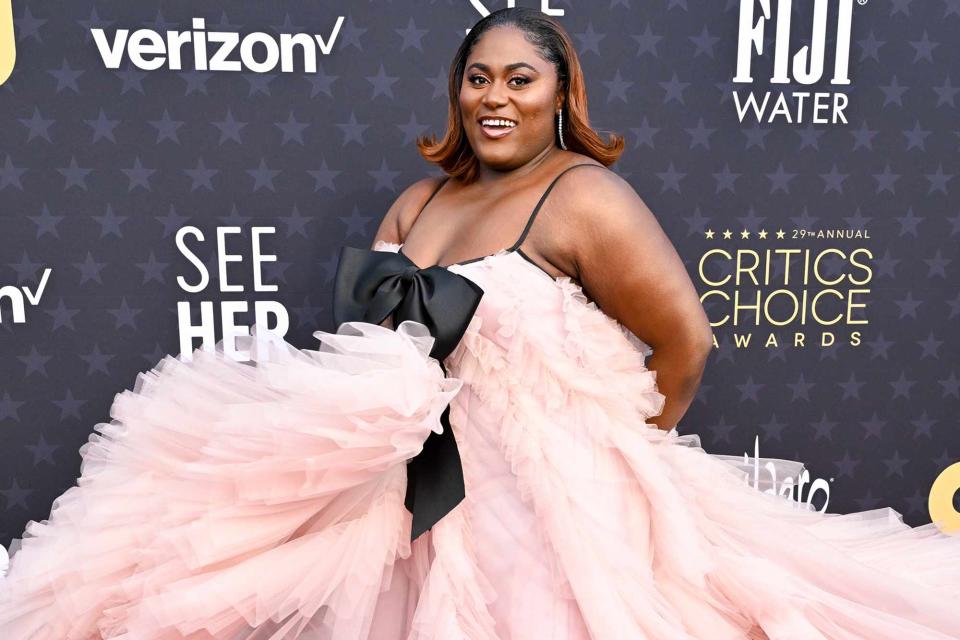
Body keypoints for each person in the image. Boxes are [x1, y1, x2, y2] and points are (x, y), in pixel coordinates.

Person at [1, 7, 959, 639]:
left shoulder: (585, 196)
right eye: (478, 79)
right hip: (412, 506)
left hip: (549, 511)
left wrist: (610, 460)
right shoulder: (418, 203)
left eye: (519, 80)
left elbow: (686, 342)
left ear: (559, 94)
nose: (495, 98)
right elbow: (372, 352)